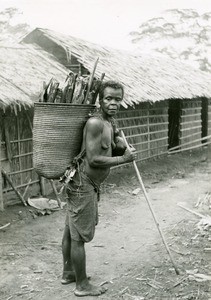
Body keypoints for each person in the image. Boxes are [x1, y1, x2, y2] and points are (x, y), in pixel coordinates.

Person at [61, 80, 137, 297]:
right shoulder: (95, 123)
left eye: (117, 99)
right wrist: (124, 159)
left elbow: (112, 144)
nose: (113, 103)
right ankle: (82, 285)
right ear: (99, 100)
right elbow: (94, 159)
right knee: (78, 237)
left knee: (71, 229)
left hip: (86, 184)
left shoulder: (110, 122)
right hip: (82, 184)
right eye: (108, 99)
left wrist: (122, 146)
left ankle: (68, 273)